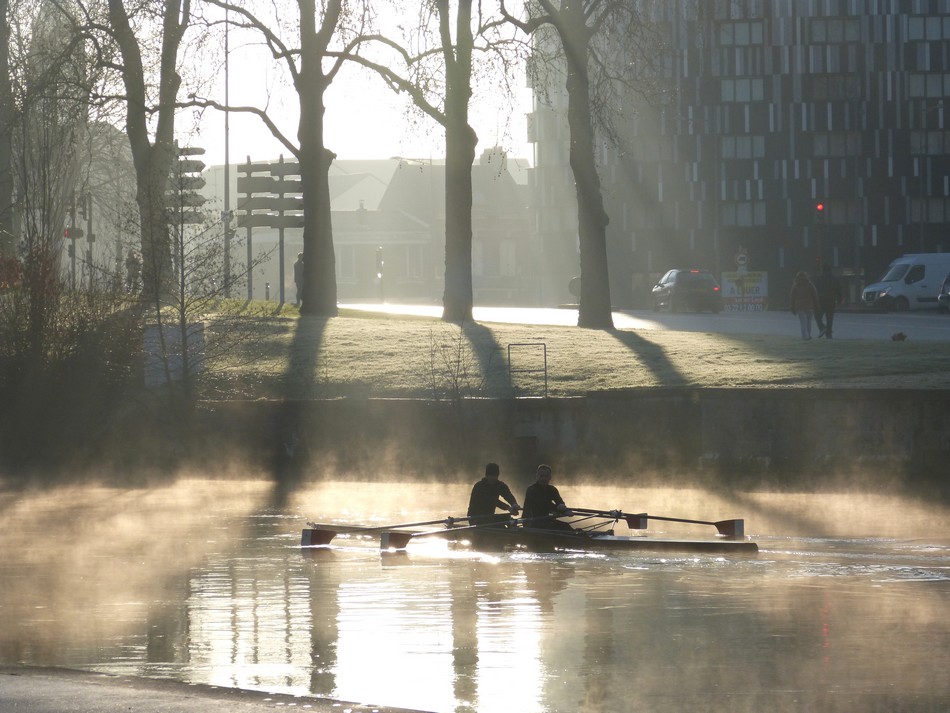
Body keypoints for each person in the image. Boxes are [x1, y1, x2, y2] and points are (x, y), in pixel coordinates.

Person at [522, 464, 574, 532]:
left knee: (567, 527)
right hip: (531, 522)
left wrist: (563, 507)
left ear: (550, 477)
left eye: (546, 476)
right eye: (541, 476)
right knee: (565, 527)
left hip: (545, 520)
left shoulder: (552, 489)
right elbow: (545, 505)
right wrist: (562, 510)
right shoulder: (531, 490)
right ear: (537, 476)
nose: (544, 478)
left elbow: (559, 501)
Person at [814, 263, 843, 338]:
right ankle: (829, 334)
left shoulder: (819, 279)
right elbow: (839, 291)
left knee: (817, 316)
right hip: (831, 301)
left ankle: (822, 328)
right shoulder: (835, 279)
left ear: (823, 270)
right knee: (829, 318)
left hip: (822, 300)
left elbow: (815, 290)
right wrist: (839, 301)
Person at [789, 270, 820, 340]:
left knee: (803, 322)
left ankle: (805, 336)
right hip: (810, 307)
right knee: (809, 322)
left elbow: (792, 297)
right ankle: (808, 335)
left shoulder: (795, 285)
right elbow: (815, 296)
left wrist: (792, 307)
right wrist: (817, 306)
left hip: (800, 307)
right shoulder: (810, 284)